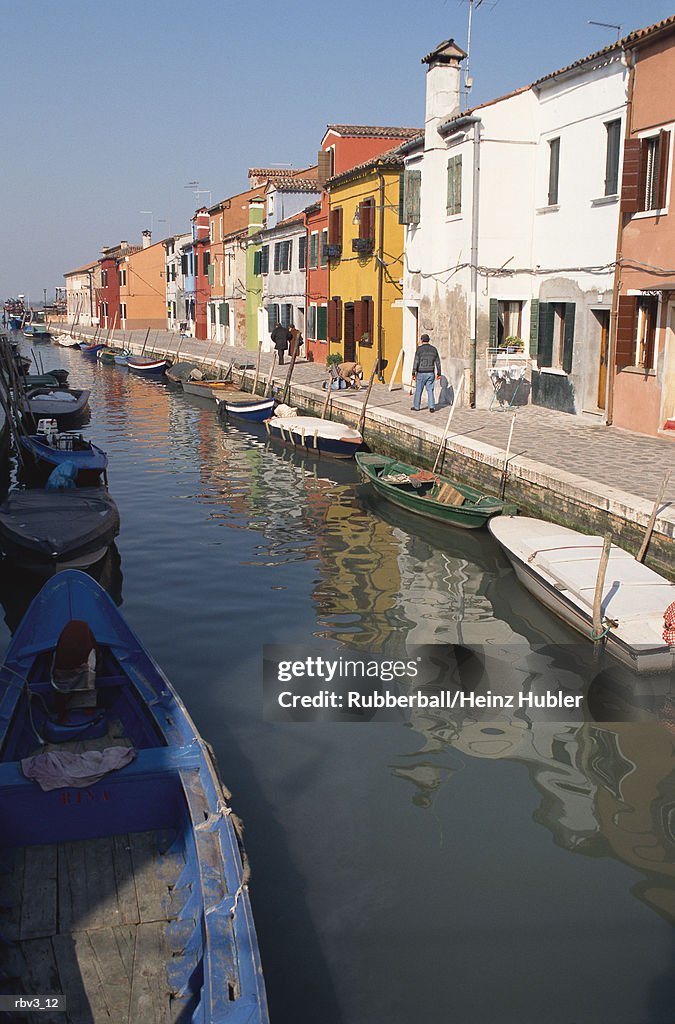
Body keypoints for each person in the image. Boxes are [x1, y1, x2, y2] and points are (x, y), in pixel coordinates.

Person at [411, 333, 441, 412]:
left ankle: (417, 406)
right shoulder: (434, 349)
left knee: (418, 390)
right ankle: (431, 406)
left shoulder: (419, 349)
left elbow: (416, 361)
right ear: (428, 340)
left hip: (421, 373)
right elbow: (438, 362)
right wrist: (439, 373)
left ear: (421, 340)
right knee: (430, 390)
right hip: (430, 373)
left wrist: (413, 373)